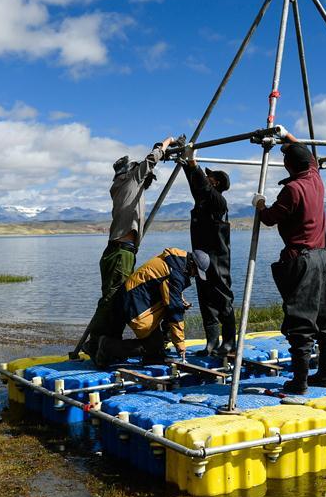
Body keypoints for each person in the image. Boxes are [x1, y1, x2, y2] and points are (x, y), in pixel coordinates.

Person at [252, 126, 326, 394]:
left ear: (289, 165)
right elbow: (308, 157)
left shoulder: (293, 189)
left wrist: (259, 205)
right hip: (322, 256)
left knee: (301, 321)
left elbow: (269, 219)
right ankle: (325, 373)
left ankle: (300, 382)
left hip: (302, 260)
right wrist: (287, 134)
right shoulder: (315, 178)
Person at [84, 138, 175, 361]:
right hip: (121, 252)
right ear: (129, 172)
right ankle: (96, 341)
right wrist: (166, 143)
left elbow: (144, 178)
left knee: (113, 298)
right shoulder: (129, 180)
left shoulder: (122, 186)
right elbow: (151, 159)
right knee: (112, 298)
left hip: (118, 251)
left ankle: (104, 341)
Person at [94, 247, 210, 368]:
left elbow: (168, 289)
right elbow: (174, 310)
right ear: (192, 263)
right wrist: (180, 345)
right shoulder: (175, 272)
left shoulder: (177, 262)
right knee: (150, 348)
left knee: (157, 351)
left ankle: (153, 353)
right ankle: (107, 346)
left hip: (134, 298)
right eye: (196, 271)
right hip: (134, 304)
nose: (195, 275)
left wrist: (181, 301)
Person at [180, 146, 236, 357]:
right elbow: (196, 183)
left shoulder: (218, 201)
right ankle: (212, 341)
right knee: (205, 299)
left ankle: (230, 342)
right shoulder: (202, 199)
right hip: (202, 257)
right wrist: (186, 163)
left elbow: (201, 185)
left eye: (209, 177)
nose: (206, 177)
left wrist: (193, 163)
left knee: (223, 298)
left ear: (216, 183)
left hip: (218, 259)